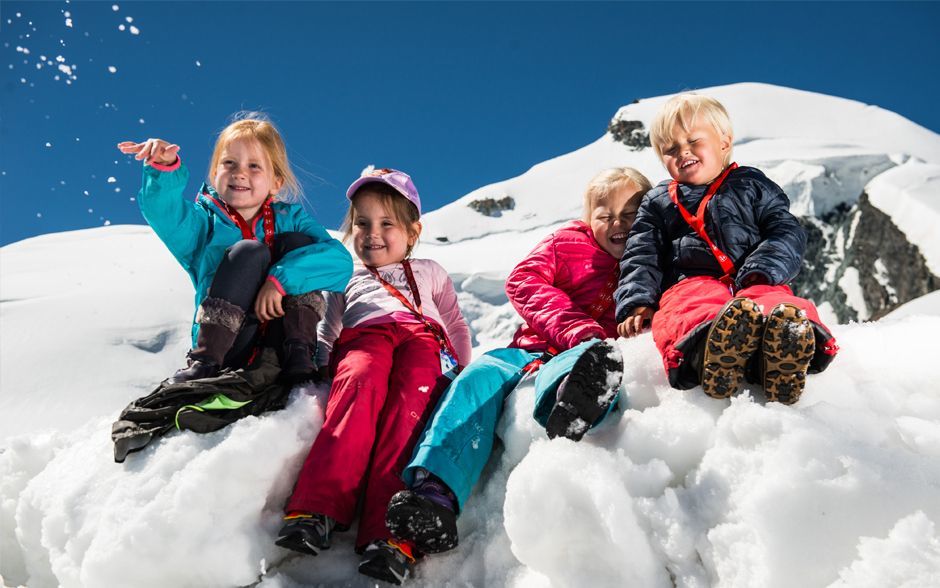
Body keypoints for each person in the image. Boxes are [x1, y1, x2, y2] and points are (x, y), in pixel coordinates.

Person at [383, 168, 653, 573]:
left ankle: (571, 406)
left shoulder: (649, 265)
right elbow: (525, 279)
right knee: (476, 379)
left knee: (582, 367)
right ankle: (433, 492)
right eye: (604, 213)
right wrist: (575, 327)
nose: (616, 223)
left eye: (630, 213)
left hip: (582, 354)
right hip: (529, 346)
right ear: (587, 217)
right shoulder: (567, 244)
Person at [274, 168, 472, 585]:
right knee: (360, 384)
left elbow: (453, 322)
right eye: (362, 223)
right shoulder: (347, 276)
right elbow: (329, 329)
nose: (372, 233)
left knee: (408, 412)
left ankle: (390, 533)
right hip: (366, 337)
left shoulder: (431, 271)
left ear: (413, 232)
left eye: (387, 224)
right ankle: (317, 507)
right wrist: (321, 367)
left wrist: (463, 367)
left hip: (421, 340)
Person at [615, 93, 838, 404]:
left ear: (723, 142)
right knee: (689, 305)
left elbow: (785, 230)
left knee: (773, 301)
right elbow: (642, 254)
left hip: (753, 279)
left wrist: (762, 269)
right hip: (690, 281)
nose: (684, 152)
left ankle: (786, 342)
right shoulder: (658, 202)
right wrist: (637, 301)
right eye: (671, 149)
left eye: (693, 141)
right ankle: (708, 349)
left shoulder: (751, 185)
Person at [117, 113, 352, 384]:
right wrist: (162, 169)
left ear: (276, 181)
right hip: (229, 345)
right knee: (248, 251)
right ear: (215, 173)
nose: (240, 172)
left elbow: (340, 262)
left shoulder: (293, 219)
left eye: (254, 166)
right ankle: (204, 361)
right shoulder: (203, 224)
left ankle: (299, 355)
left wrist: (280, 281)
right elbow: (165, 213)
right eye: (229, 163)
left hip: (281, 337)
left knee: (301, 246)